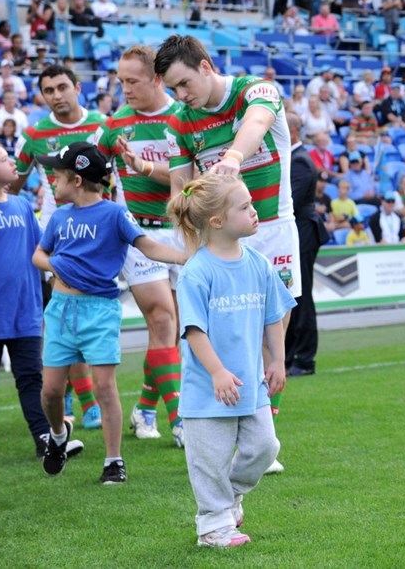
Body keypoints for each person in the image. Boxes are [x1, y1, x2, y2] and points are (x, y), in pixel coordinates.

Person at [154, 35, 298, 471]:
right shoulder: (180, 121)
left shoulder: (256, 90)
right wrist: (193, 252)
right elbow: (181, 189)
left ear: (205, 64)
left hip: (270, 226)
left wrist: (233, 156)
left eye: (183, 84)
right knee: (225, 333)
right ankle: (224, 427)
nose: (181, 96)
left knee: (270, 332)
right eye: (173, 90)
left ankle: (262, 432)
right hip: (217, 238)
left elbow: (255, 123)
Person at [33, 142, 184, 483]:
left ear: (75, 179)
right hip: (60, 311)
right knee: (51, 392)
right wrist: (56, 264)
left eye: (56, 175)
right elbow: (39, 255)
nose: (52, 181)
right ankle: (59, 436)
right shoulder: (59, 217)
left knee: (105, 387)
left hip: (99, 311)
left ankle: (113, 461)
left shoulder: (114, 214)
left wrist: (186, 257)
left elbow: (146, 245)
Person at [167, 174, 293, 548]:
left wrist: (278, 361)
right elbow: (193, 331)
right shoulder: (197, 272)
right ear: (217, 221)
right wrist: (218, 372)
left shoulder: (258, 263)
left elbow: (274, 316)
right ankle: (212, 526)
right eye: (245, 207)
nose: (254, 211)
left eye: (252, 204)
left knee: (265, 448)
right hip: (207, 391)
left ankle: (228, 500)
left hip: (250, 384)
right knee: (209, 463)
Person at [94, 46, 185, 446]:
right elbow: (89, 176)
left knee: (175, 331)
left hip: (183, 231)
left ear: (156, 79)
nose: (125, 88)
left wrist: (145, 167)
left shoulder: (185, 119)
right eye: (120, 81)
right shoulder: (113, 127)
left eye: (132, 81)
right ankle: (183, 421)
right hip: (138, 235)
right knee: (163, 320)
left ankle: (145, 406)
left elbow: (194, 178)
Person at [11, 65, 108, 428]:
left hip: (100, 230)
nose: (56, 95)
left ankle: (80, 395)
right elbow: (12, 184)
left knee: (90, 317)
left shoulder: (102, 124)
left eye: (62, 87)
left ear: (78, 87)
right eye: (48, 90)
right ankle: (82, 397)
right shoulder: (34, 134)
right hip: (59, 235)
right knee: (69, 317)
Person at [0, 139, 86, 461]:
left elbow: (41, 253)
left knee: (31, 378)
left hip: (25, 311)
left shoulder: (20, 206)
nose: (13, 163)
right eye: (4, 159)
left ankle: (46, 439)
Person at [284, 113, 329, 376]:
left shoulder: (299, 162)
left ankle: (304, 358)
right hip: (299, 233)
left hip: (303, 233)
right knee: (295, 296)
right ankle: (293, 357)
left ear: (291, 132)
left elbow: (290, 201)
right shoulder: (296, 159)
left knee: (301, 297)